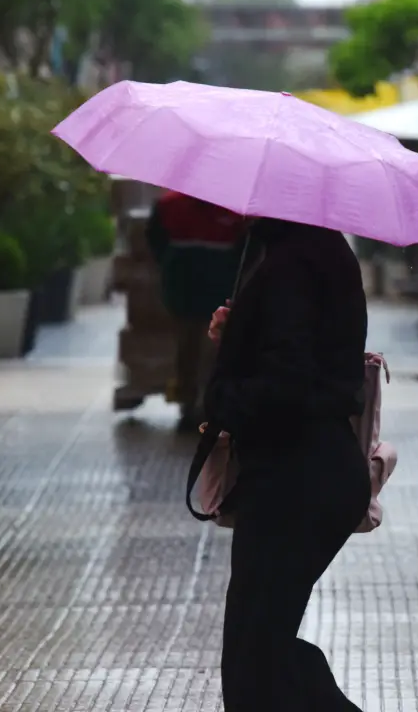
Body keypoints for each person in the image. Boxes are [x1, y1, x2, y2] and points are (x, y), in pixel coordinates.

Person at [202, 217, 370, 711]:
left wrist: (224, 395)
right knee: (262, 650)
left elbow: (286, 384)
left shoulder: (293, 263)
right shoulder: (315, 251)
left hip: (296, 479)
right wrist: (239, 336)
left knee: (255, 658)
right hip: (309, 472)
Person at [145, 191, 245, 429]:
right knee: (188, 345)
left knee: (211, 348)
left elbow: (245, 246)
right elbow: (155, 239)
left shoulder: (235, 209)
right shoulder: (170, 205)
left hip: (216, 285)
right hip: (184, 285)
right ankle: (189, 403)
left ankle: (205, 403)